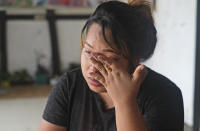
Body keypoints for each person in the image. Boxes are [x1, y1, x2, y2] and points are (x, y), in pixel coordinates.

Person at [38, 0, 184, 131]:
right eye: (88, 52)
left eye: (109, 58)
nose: (93, 68)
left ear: (135, 60)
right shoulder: (70, 85)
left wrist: (124, 101)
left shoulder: (164, 94)